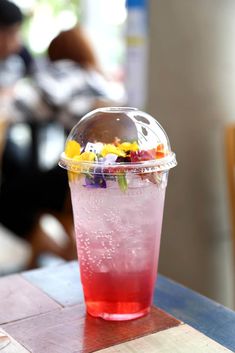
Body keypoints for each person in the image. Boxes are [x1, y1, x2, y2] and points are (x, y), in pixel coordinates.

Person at [0, 1, 75, 266]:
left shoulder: (59, 79)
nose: (17, 42)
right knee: (17, 169)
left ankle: (51, 246)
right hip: (92, 174)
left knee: (9, 195)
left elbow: (22, 103)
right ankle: (44, 243)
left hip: (74, 178)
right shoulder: (92, 77)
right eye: (10, 33)